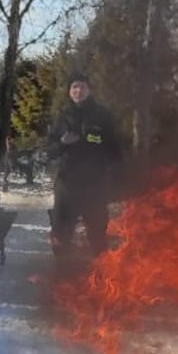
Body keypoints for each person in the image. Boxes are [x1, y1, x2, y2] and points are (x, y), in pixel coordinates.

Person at [48, 73, 120, 257]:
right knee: (60, 235)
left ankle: (101, 271)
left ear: (89, 90)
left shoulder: (102, 116)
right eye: (74, 87)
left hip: (94, 184)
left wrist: (115, 176)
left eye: (82, 87)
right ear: (69, 91)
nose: (78, 91)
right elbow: (50, 151)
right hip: (67, 184)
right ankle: (62, 269)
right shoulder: (63, 117)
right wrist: (62, 143)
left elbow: (115, 149)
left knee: (97, 235)